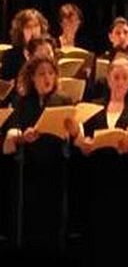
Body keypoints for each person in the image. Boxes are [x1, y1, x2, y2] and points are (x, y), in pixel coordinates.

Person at [75, 53, 128, 267]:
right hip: (100, 179)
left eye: (124, 78)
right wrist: (85, 144)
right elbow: (84, 141)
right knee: (100, 235)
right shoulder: (94, 106)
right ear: (108, 79)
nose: (119, 82)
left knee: (126, 236)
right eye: (115, 77)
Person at [1, 56, 77, 262]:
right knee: (31, 222)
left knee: (53, 221)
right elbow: (12, 133)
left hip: (55, 168)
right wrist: (23, 136)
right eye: (42, 74)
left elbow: (73, 134)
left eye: (51, 73)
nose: (47, 78)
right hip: (31, 171)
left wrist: (73, 130)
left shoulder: (63, 101)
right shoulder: (23, 102)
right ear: (32, 77)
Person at [1, 9, 50, 81]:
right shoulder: (10, 56)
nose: (33, 31)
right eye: (28, 27)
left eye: (36, 26)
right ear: (21, 31)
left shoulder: (48, 52)